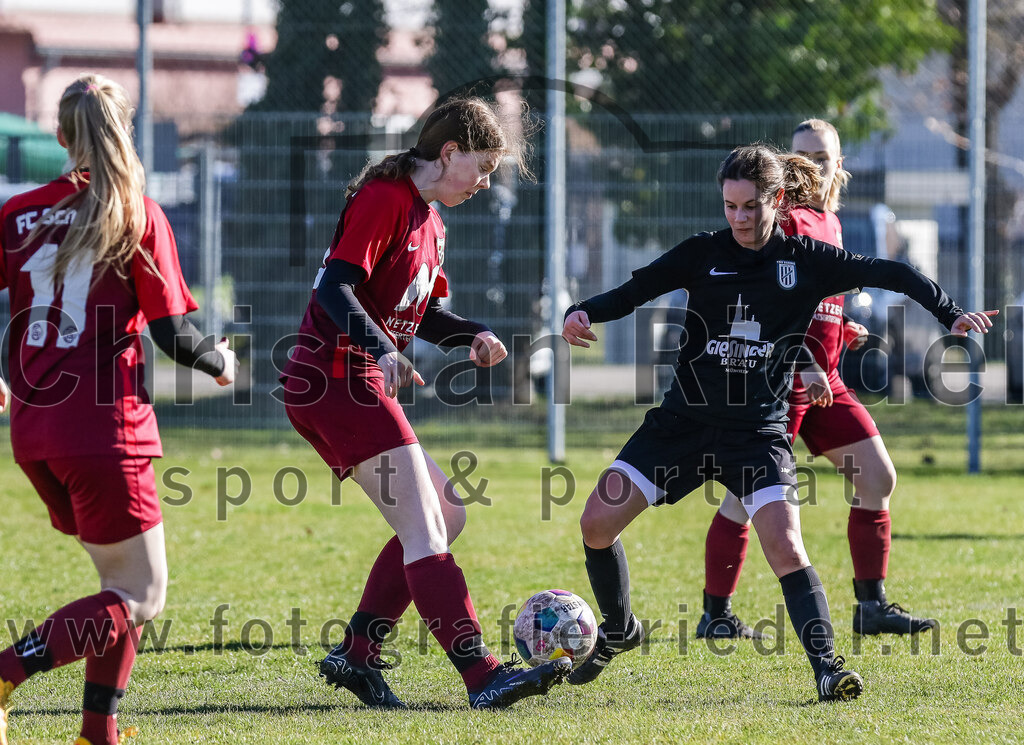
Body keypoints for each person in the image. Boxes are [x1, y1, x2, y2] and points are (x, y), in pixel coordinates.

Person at [561, 143, 995, 702]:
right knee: (596, 524)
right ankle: (619, 630)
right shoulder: (703, 252)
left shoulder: (808, 260)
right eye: (729, 206)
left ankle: (829, 668)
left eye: (749, 206)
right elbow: (636, 289)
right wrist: (583, 311)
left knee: (786, 544)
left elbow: (891, 272)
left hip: (755, 434)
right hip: (682, 424)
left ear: (778, 199)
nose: (739, 218)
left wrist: (948, 311)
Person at [281, 96, 570, 710]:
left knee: (447, 514)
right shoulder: (385, 200)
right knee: (427, 528)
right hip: (334, 381)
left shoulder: (431, 220)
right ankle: (483, 676)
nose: (487, 181)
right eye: (484, 167)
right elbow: (336, 286)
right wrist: (382, 349)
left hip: (353, 381)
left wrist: (473, 335)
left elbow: (428, 313)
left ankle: (357, 654)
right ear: (448, 154)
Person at [0, 74, 237, 745]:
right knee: (141, 594)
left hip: (34, 430)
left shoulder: (17, 213)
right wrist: (221, 360)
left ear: (59, 138)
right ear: (122, 133)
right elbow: (170, 334)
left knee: (118, 585)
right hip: (103, 428)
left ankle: (96, 733)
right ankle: (6, 671)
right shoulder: (134, 212)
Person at [697, 120, 937, 641]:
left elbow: (815, 292)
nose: (811, 165)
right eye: (799, 155)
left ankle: (870, 607)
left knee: (876, 477)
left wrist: (837, 320)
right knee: (744, 496)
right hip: (783, 381)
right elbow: (770, 300)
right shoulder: (784, 221)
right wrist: (803, 359)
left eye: (821, 157)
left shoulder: (831, 221)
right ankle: (716, 614)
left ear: (839, 163)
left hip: (825, 379)